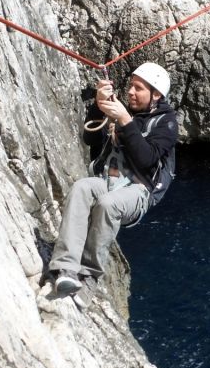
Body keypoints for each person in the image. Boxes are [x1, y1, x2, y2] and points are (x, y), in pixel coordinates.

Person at [49, 62, 178, 297]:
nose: (130, 92)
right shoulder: (124, 111)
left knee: (109, 205)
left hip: (139, 190)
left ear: (156, 95)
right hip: (110, 180)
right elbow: (90, 139)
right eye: (130, 86)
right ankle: (65, 269)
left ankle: (89, 277)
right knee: (81, 188)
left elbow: (146, 159)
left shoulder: (166, 123)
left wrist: (125, 121)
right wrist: (99, 107)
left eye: (138, 88)